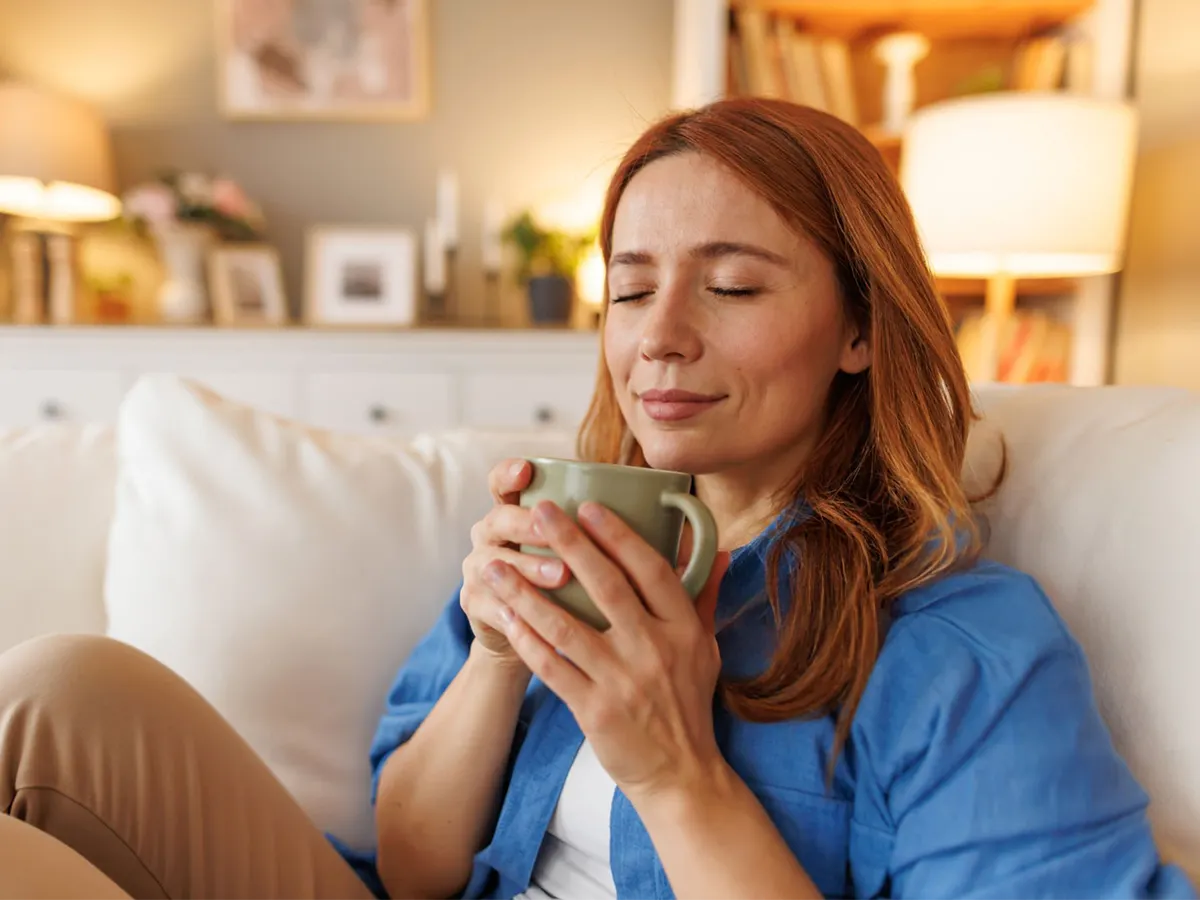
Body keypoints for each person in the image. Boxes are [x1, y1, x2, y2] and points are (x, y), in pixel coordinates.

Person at [0, 98, 1192, 900]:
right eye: (629, 290)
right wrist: (497, 656)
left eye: (731, 286)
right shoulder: (578, 544)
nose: (659, 337)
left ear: (862, 329)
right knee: (58, 688)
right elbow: (413, 870)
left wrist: (676, 772)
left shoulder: (961, 654)